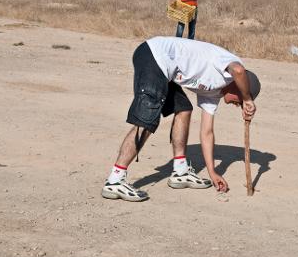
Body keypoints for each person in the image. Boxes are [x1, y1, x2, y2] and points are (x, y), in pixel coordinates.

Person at [101, 36, 261, 202]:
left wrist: (212, 172)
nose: (238, 105)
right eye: (240, 100)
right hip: (154, 55)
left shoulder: (214, 93)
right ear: (239, 87)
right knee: (147, 118)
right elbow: (239, 71)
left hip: (166, 70)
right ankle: (115, 180)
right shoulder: (230, 65)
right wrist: (248, 99)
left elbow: (207, 133)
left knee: (183, 109)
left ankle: (180, 171)